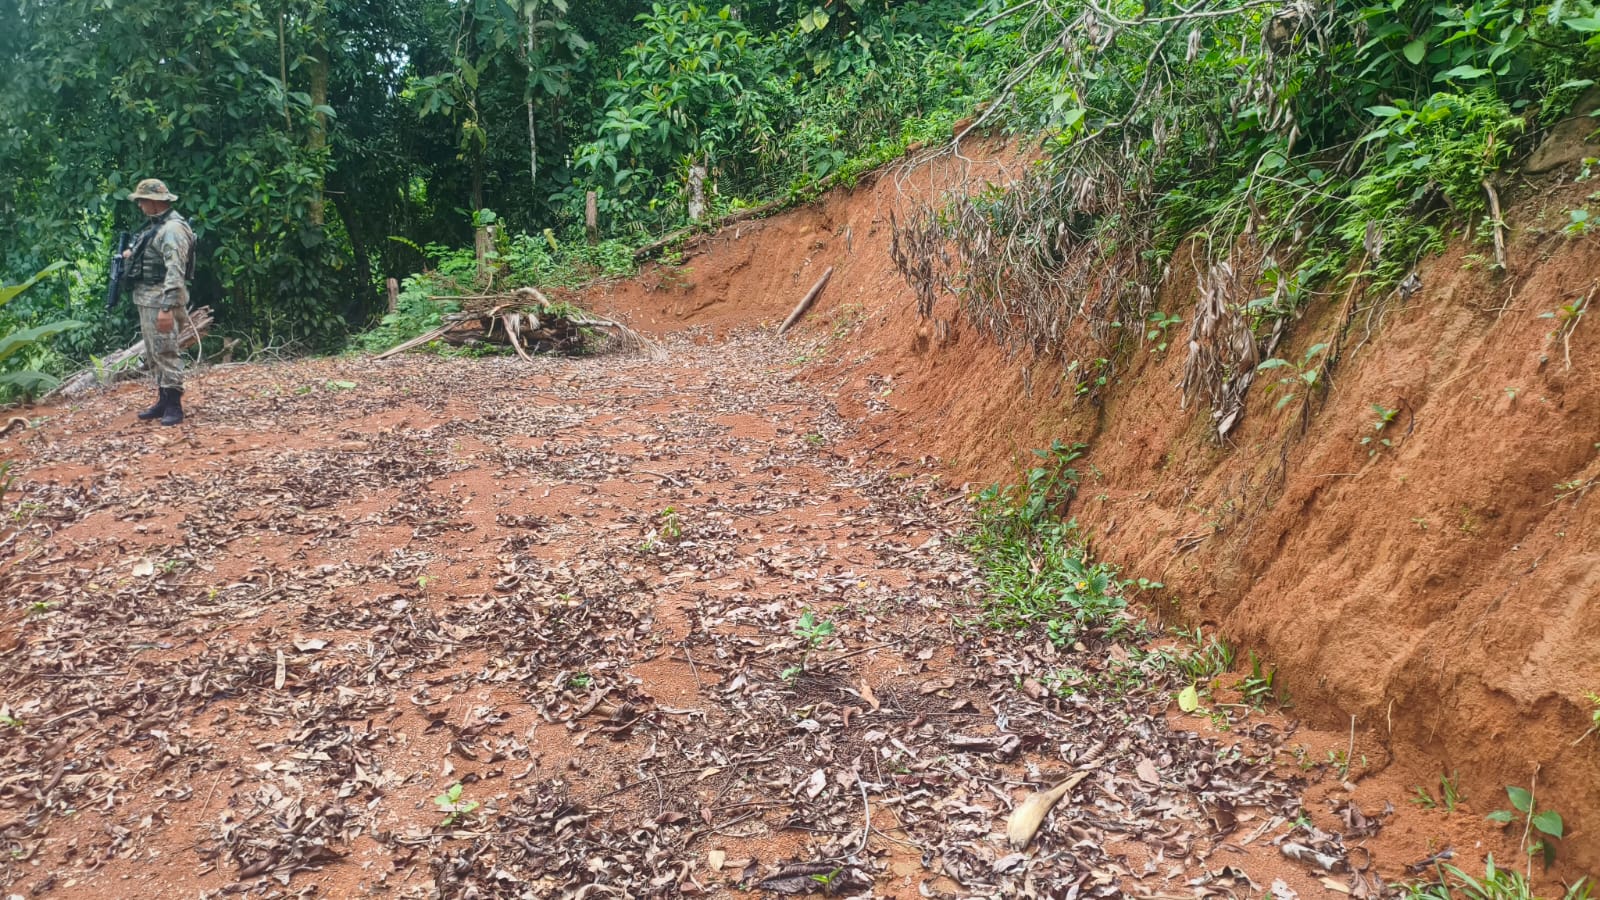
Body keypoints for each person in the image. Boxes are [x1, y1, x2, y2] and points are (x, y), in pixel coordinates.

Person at [122, 178, 197, 426]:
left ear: (154, 202)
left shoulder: (172, 229)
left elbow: (176, 270)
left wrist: (167, 308)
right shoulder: (157, 226)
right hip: (148, 299)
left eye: (142, 201)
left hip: (161, 300)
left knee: (166, 350)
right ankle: (163, 400)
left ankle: (174, 405)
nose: (140, 205)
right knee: (154, 353)